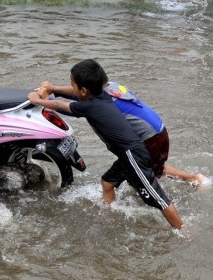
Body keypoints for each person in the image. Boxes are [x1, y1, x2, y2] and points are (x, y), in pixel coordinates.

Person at [27, 60, 184, 230]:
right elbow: (71, 97)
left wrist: (36, 99)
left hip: (133, 155)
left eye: (73, 83)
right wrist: (52, 89)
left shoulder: (88, 106)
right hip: (129, 153)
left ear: (84, 91)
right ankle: (111, 216)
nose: (71, 86)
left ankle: (184, 232)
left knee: (158, 199)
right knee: (107, 182)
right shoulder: (104, 95)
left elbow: (58, 105)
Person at [38, 79, 206, 186]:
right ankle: (192, 179)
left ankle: (114, 208)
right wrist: (54, 88)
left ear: (85, 89)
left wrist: (44, 100)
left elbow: (74, 108)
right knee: (152, 168)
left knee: (116, 181)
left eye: (76, 86)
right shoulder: (110, 87)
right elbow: (82, 96)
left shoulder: (102, 105)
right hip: (158, 130)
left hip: (149, 138)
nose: (75, 90)